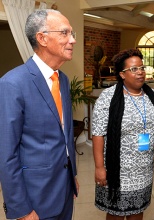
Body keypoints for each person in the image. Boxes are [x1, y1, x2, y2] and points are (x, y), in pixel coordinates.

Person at [0, 9, 79, 220]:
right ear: (42, 38)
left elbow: (64, 132)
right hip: (35, 198)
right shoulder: (12, 83)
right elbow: (6, 154)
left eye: (72, 34)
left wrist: (72, 175)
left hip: (64, 189)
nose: (72, 40)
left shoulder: (62, 80)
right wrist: (20, 208)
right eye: (64, 33)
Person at [92, 48, 154, 220]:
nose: (140, 72)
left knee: (137, 210)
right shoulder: (108, 97)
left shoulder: (152, 95)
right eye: (134, 69)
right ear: (122, 74)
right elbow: (98, 133)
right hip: (117, 169)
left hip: (144, 169)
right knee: (116, 213)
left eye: (142, 67)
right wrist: (99, 167)